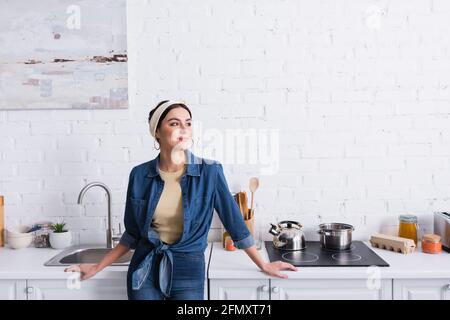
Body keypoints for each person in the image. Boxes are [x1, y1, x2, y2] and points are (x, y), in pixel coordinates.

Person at [65, 100, 297, 300]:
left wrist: (263, 264)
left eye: (188, 123)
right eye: (174, 123)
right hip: (144, 266)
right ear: (157, 131)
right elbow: (132, 235)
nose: (183, 129)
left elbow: (234, 224)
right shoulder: (139, 175)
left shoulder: (210, 172)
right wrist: (96, 267)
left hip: (189, 266)